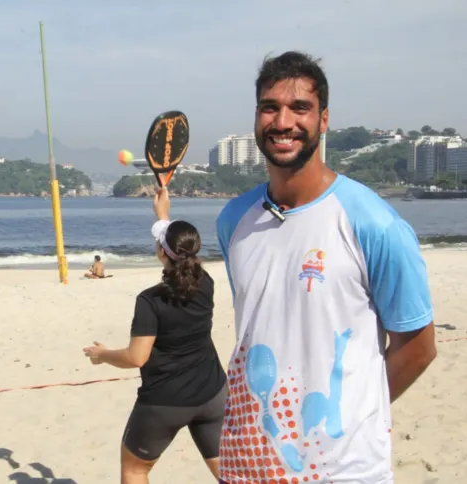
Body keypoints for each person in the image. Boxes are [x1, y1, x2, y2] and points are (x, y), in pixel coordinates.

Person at [215, 51, 436, 483]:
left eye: (300, 108)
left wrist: (353, 413)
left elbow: (418, 346)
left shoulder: (373, 222)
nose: (283, 122)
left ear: (324, 119)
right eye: (270, 107)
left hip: (342, 470)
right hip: (247, 462)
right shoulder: (233, 221)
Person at [84, 187, 227, 483]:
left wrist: (103, 355)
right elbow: (179, 250)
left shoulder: (150, 301)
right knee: (227, 472)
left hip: (165, 402)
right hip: (213, 394)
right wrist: (163, 217)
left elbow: (136, 358)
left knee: (135, 469)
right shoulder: (207, 282)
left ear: (161, 251)